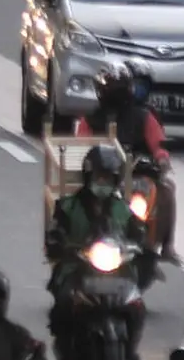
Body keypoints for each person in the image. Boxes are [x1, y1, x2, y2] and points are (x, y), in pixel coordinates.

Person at [45, 145, 155, 360]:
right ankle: (67, 355)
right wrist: (62, 245)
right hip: (76, 268)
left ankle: (130, 354)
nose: (102, 182)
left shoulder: (123, 209)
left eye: (108, 178)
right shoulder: (67, 206)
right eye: (99, 177)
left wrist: (140, 245)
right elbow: (54, 234)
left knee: (136, 307)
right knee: (64, 306)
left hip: (117, 271)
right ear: (88, 176)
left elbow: (139, 234)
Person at [75, 61, 177, 259]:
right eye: (111, 90)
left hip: (136, 176)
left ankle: (167, 246)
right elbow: (80, 148)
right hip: (101, 177)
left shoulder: (144, 117)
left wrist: (162, 161)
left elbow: (159, 145)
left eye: (119, 90)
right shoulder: (90, 119)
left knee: (167, 188)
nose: (115, 96)